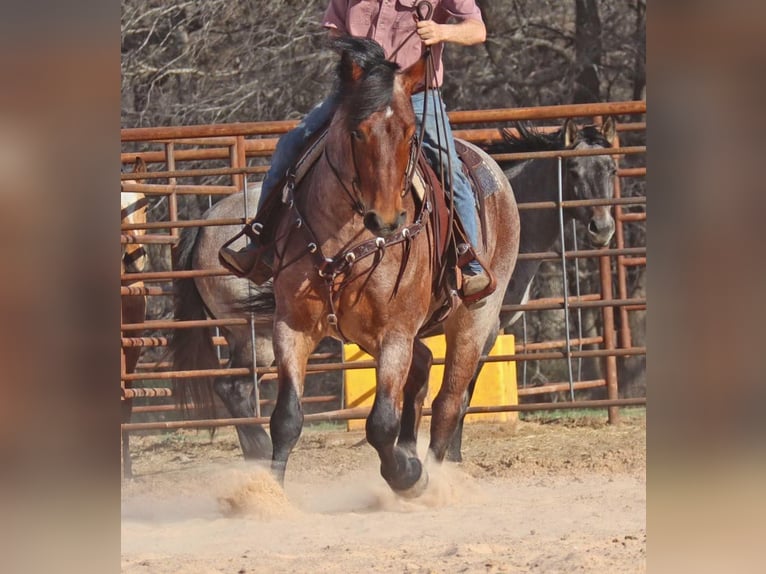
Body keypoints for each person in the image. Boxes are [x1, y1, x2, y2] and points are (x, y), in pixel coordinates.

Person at [220, 0, 490, 297]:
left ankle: (469, 262)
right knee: (290, 145)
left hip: (412, 94)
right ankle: (261, 245)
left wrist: (441, 32)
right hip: (359, 94)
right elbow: (335, 32)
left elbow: (477, 31)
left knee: (448, 166)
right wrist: (359, 58)